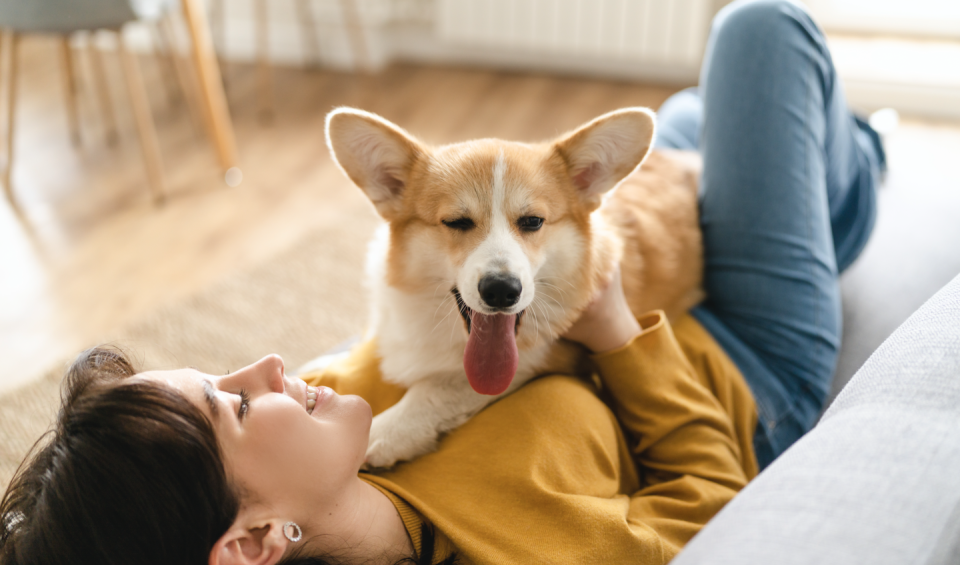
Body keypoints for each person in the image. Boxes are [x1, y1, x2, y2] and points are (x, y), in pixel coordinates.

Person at [0, 1, 885, 564]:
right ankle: (869, 160)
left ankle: (842, 159)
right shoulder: (508, 544)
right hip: (741, 366)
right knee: (760, 34)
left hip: (657, 271)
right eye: (233, 403)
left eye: (220, 373)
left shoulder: (326, 418)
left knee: (696, 120)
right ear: (256, 540)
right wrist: (617, 332)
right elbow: (717, 505)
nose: (268, 363)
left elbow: (379, 342)